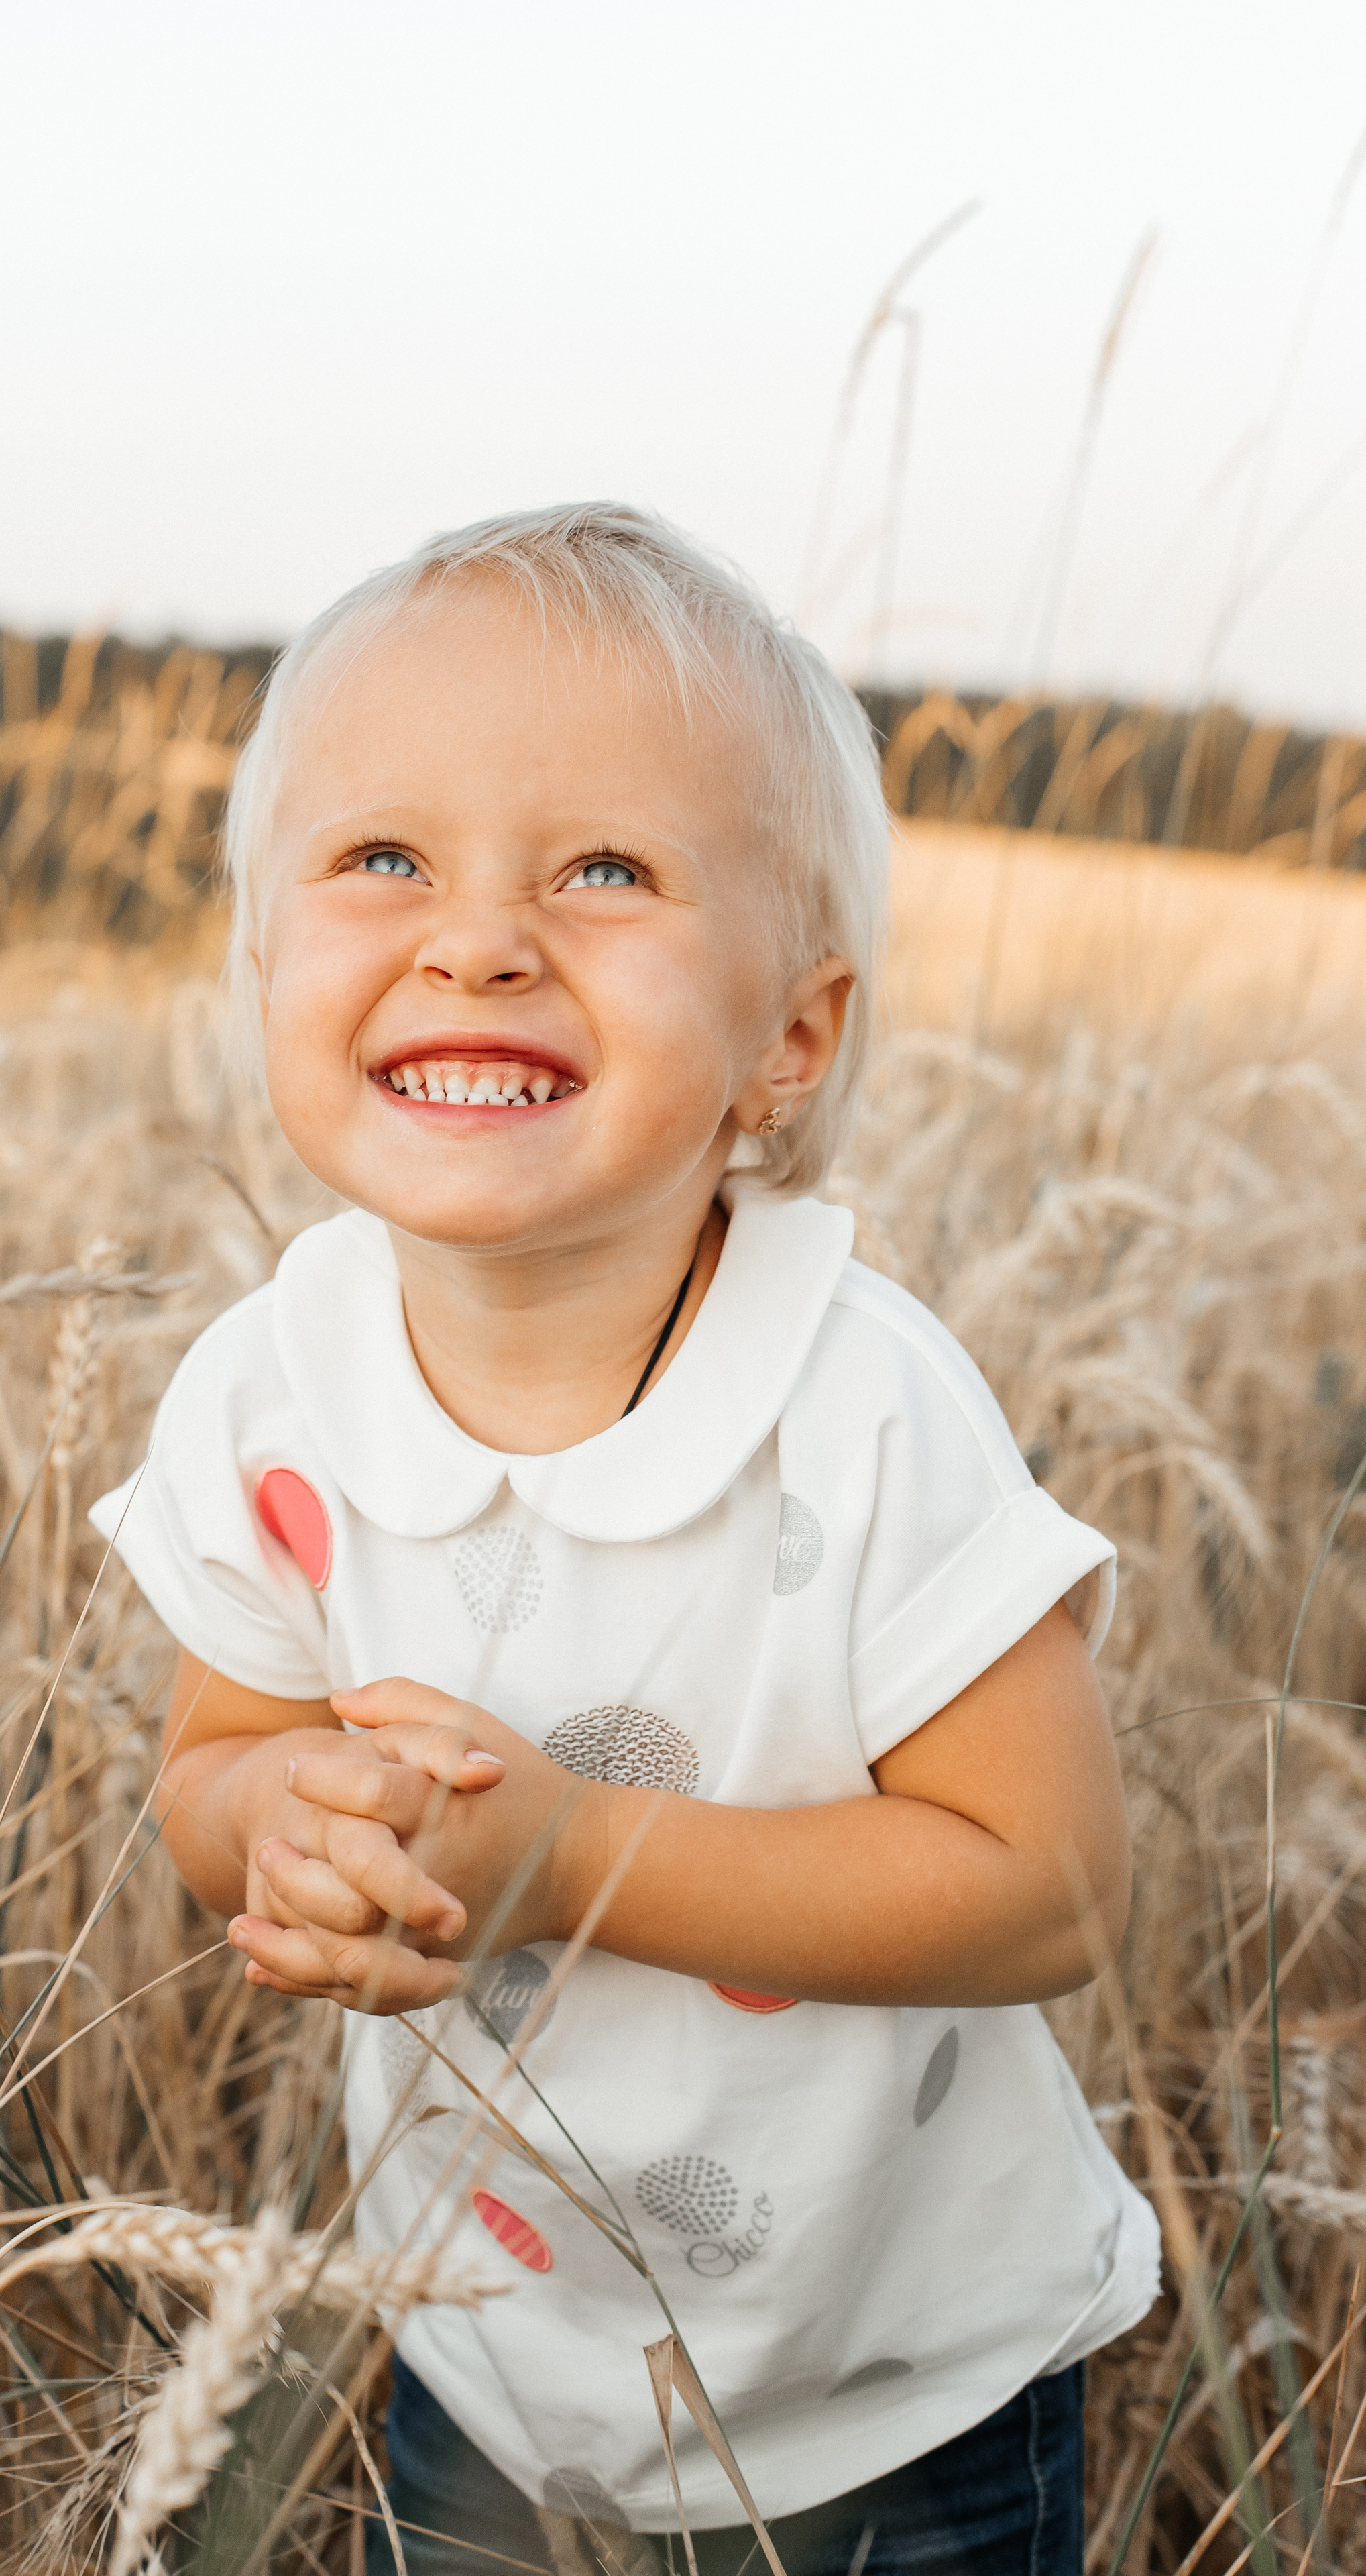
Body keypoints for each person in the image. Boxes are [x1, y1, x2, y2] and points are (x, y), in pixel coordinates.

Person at [91, 503, 1160, 2575]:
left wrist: (569, 1862)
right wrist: (288, 1829)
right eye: (383, 858)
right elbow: (210, 1775)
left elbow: (1047, 1891)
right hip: (483, 2349)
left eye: (606, 871)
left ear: (791, 1038)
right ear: (261, 967)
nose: (478, 938)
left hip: (891, 2396)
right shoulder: (267, 1387)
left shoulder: (861, 1402)